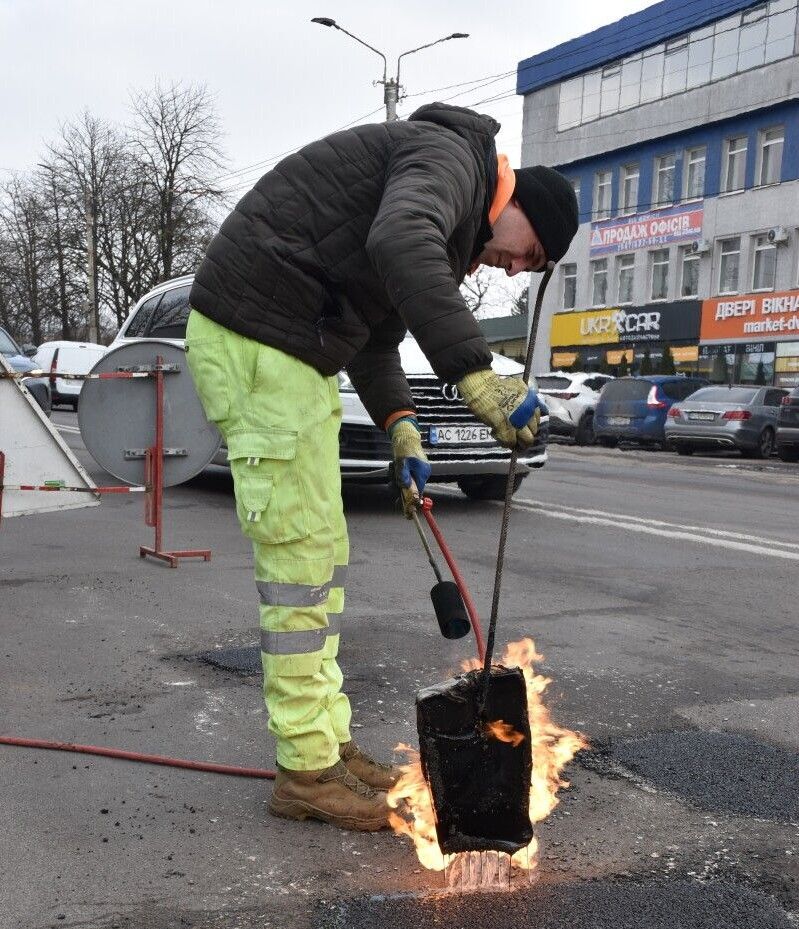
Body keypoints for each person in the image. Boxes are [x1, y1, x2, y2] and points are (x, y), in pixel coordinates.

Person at [185, 102, 578, 832]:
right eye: (532, 253)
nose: (519, 267)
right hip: (261, 341)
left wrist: (401, 427)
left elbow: (374, 335)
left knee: (320, 558)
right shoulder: (451, 161)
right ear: (522, 206)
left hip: (292, 349)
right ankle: (305, 773)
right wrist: (473, 371)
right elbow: (400, 240)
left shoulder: (448, 210)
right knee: (297, 561)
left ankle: (327, 746)